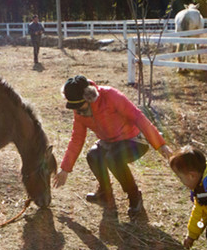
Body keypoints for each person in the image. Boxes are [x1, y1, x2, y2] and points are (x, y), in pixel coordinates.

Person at [53, 75, 172, 217]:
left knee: (114, 158)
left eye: (79, 106)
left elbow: (138, 117)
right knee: (93, 156)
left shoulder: (110, 95)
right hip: (109, 142)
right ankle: (105, 192)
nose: (77, 111)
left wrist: (160, 145)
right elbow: (77, 138)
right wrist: (65, 169)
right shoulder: (79, 109)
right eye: (74, 107)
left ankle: (135, 196)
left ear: (89, 97)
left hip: (134, 140)